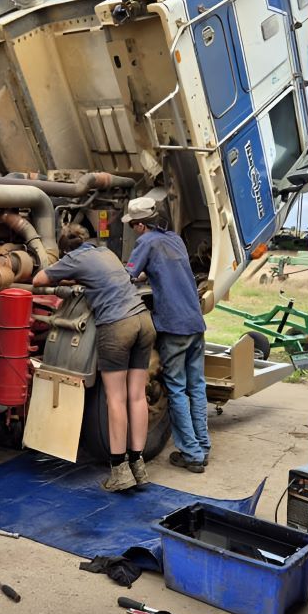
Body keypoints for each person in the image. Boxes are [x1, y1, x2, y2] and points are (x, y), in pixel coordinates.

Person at [34, 224, 155, 492]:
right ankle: (139, 466)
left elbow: (39, 280)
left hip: (117, 326)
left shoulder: (73, 259)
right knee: (137, 396)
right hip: (143, 321)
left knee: (116, 399)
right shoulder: (106, 252)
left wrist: (67, 276)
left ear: (66, 250)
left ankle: (119, 472)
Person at [123, 197, 210, 473]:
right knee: (196, 385)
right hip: (195, 322)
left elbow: (128, 275)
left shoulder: (145, 243)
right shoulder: (174, 239)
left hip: (173, 326)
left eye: (132, 225)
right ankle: (203, 447)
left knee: (176, 387)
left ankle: (192, 454)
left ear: (139, 225)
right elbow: (169, 271)